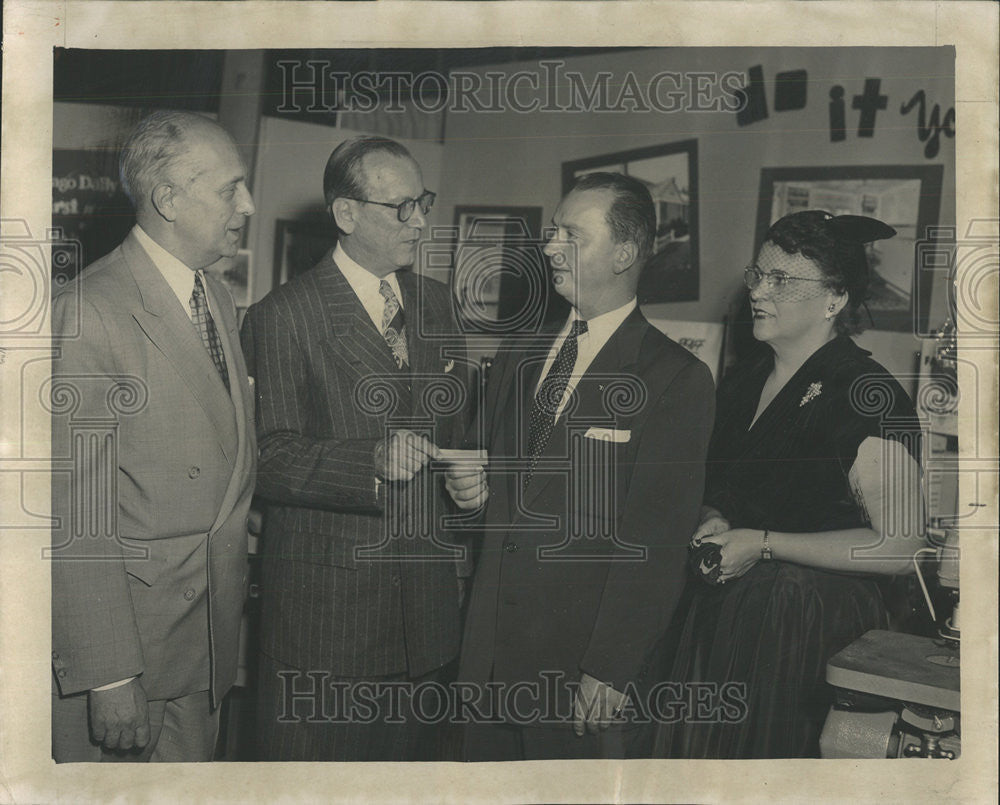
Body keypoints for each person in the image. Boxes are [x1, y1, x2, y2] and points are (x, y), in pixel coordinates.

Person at [445, 172, 715, 760]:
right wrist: (471, 497)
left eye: (571, 235)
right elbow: (499, 500)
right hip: (486, 660)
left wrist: (611, 668)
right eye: (552, 231)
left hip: (577, 674)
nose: (549, 247)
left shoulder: (674, 379)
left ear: (623, 253)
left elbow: (657, 541)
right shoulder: (517, 351)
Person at [654, 210, 926, 759]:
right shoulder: (745, 378)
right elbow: (729, 485)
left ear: (834, 299)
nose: (759, 291)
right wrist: (715, 517)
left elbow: (903, 547)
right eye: (759, 274)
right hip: (726, 618)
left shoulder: (865, 393)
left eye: (783, 280)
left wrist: (765, 542)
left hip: (806, 630)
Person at [242, 136, 470, 761]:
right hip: (326, 620)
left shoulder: (436, 303)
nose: (420, 221)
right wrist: (366, 461)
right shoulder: (282, 316)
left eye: (423, 202)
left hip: (424, 616)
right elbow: (267, 454)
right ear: (347, 215)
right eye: (402, 207)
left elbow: (456, 430)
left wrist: (471, 476)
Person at [50, 111, 258, 762]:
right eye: (231, 188)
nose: (247, 205)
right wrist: (108, 672)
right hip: (134, 658)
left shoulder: (217, 297)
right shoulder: (90, 311)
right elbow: (74, 513)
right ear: (168, 199)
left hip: (203, 647)